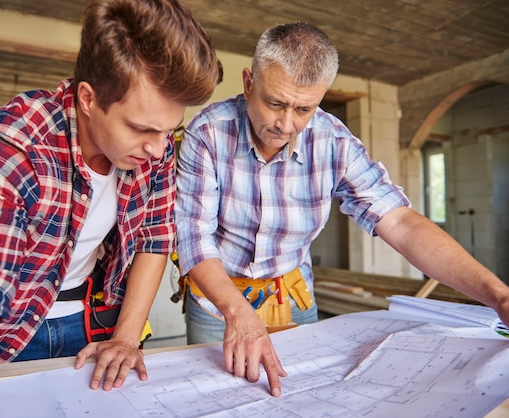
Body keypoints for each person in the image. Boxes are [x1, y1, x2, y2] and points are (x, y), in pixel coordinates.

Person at [175, 21, 509, 398]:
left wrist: (498, 296)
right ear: (249, 82)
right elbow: (193, 236)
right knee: (213, 397)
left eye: (304, 109)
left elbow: (400, 221)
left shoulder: (334, 141)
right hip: (217, 302)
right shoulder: (207, 133)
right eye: (274, 103)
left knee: (298, 398)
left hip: (293, 295)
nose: (285, 125)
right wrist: (237, 314)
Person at [0, 0, 220, 416]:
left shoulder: (155, 146)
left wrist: (126, 337)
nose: (157, 148)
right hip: (7, 333)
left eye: (169, 130)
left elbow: (154, 237)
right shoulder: (12, 148)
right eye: (141, 128)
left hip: (94, 320)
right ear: (88, 99)